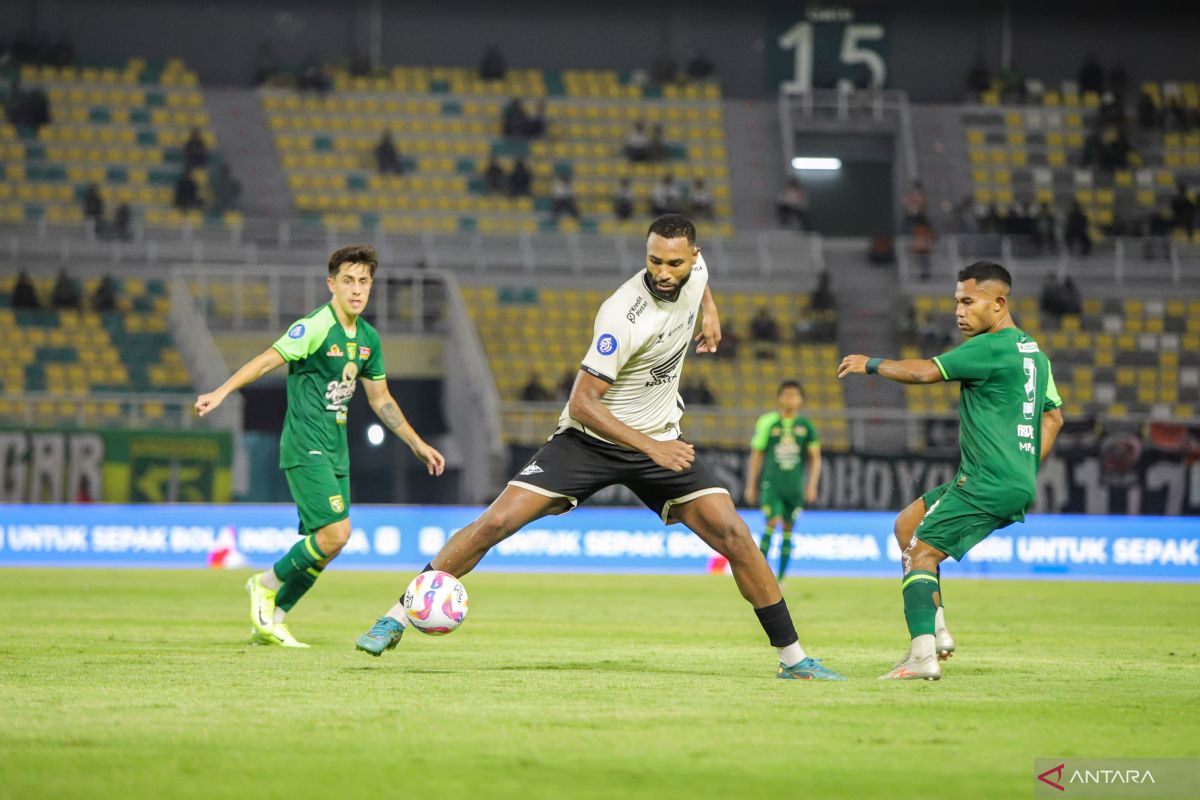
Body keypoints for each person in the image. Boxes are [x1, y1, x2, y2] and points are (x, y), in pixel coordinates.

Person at [354, 215, 845, 681]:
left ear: (692, 257)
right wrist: (650, 447)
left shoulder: (695, 272)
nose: (663, 272)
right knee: (496, 522)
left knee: (735, 534)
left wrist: (710, 311)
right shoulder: (622, 315)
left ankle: (794, 659)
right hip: (591, 441)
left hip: (659, 439)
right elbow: (583, 403)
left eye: (674, 263)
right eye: (654, 261)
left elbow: (699, 282)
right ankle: (396, 615)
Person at [195, 245, 446, 648]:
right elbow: (265, 360)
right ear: (331, 284)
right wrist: (222, 392)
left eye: (364, 281)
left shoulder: (368, 338)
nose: (357, 289)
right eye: (348, 280)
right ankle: (264, 584)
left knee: (330, 546)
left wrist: (417, 443)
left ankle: (274, 620)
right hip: (305, 443)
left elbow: (381, 399)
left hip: (336, 449)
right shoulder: (314, 326)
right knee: (336, 534)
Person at [837, 261, 1063, 680]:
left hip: (987, 481)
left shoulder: (989, 347)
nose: (958, 311)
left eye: (967, 301)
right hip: (1007, 480)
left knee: (921, 554)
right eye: (956, 302)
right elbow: (1054, 419)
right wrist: (1025, 468)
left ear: (998, 303)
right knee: (908, 526)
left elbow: (924, 371)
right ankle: (938, 630)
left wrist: (871, 363)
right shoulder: (1035, 355)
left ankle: (921, 658)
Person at [744, 381, 821, 581]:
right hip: (772, 485)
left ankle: (780, 579)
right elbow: (757, 454)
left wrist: (812, 485)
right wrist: (751, 485)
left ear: (801, 400)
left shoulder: (806, 427)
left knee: (788, 529)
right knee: (772, 522)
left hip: (794, 487)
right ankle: (759, 575)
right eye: (786, 395)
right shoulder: (768, 422)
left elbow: (815, 458)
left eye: (795, 395)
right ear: (779, 398)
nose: (790, 399)